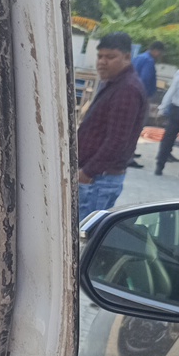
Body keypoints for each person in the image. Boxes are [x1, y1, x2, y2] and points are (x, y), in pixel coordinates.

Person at [77, 32, 148, 222]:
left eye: (110, 57)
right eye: (100, 56)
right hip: (95, 178)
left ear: (127, 57)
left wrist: (87, 172)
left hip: (98, 181)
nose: (102, 62)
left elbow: (117, 141)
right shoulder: (114, 84)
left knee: (82, 234)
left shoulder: (127, 89)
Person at [128, 40, 165, 167]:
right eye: (160, 53)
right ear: (156, 51)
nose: (159, 56)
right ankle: (128, 157)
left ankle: (128, 153)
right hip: (141, 98)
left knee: (130, 126)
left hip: (132, 95)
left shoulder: (138, 58)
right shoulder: (149, 61)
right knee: (136, 127)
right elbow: (144, 80)